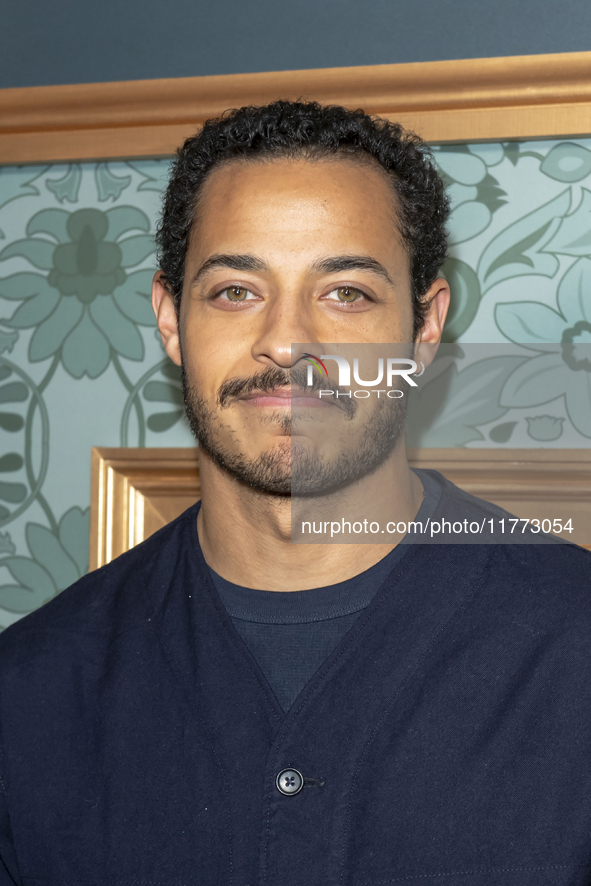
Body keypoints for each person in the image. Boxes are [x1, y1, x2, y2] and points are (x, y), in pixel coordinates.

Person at [0, 100, 590, 886]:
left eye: (345, 292)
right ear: (171, 319)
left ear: (424, 326)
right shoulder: (27, 696)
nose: (287, 340)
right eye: (235, 291)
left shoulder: (572, 651)